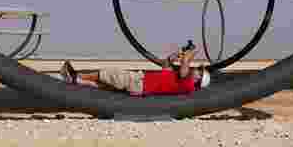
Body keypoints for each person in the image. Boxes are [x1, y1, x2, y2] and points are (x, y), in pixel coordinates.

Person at [59, 44, 210, 96]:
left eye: (199, 70)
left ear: (198, 79)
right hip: (140, 83)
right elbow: (166, 64)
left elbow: (185, 64)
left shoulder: (188, 83)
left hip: (139, 83)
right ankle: (77, 81)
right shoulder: (179, 79)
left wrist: (192, 52)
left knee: (107, 73)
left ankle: (74, 77)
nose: (196, 69)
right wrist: (177, 54)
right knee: (104, 83)